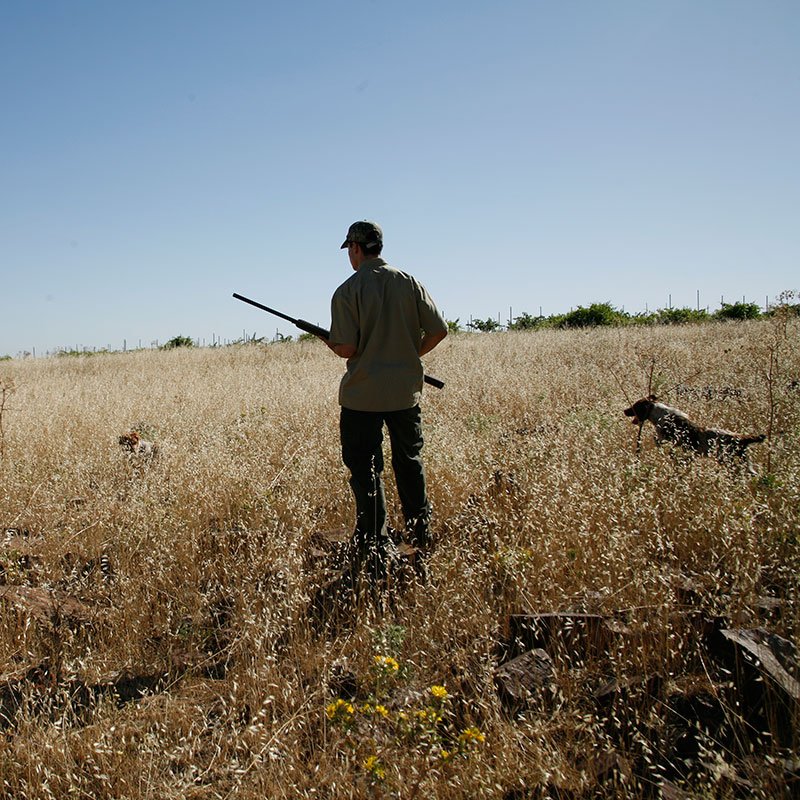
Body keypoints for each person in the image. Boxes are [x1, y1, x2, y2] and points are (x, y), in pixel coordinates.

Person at [325, 220, 448, 597]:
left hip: (362, 397)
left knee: (366, 467)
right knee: (409, 460)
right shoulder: (409, 282)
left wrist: (330, 343)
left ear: (357, 249)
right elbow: (439, 330)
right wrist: (409, 357)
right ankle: (419, 529)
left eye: (349, 249)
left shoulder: (347, 291)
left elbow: (346, 349)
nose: (349, 256)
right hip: (404, 394)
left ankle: (374, 538)